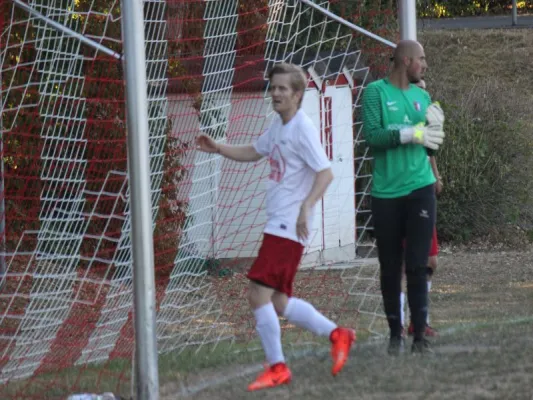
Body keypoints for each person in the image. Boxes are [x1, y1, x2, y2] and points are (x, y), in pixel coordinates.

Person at [196, 62, 355, 391]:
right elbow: (254, 152)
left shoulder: (302, 128)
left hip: (287, 226)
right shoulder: (278, 126)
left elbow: (325, 172)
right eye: (274, 87)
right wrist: (219, 147)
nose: (276, 93)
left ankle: (278, 367)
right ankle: (338, 335)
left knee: (257, 293)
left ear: (297, 94)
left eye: (283, 88)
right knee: (279, 303)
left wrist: (306, 206)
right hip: (278, 224)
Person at [361, 40, 445, 355]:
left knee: (418, 264)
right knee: (390, 266)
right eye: (421, 59)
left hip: (420, 188)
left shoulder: (422, 96)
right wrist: (411, 133)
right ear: (406, 60)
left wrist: (435, 130)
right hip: (386, 192)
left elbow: (430, 147)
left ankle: (419, 337)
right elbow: (373, 136)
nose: (425, 65)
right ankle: (395, 335)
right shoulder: (375, 93)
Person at [400, 79, 442, 337]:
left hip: (424, 193)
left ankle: (419, 321)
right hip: (402, 195)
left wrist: (437, 176)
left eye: (426, 89)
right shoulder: (399, 117)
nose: (424, 94)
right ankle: (402, 323)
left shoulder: (426, 119)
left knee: (430, 261)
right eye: (420, 90)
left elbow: (429, 152)